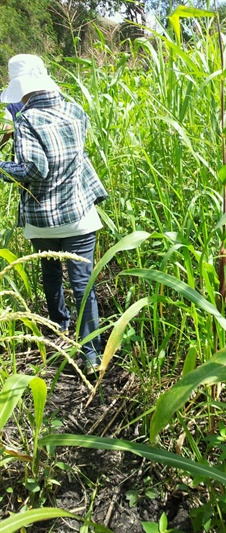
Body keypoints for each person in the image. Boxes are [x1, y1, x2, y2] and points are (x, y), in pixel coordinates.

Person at [0, 54, 108, 374]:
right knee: (82, 284)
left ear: (21, 90)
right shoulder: (75, 110)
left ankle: (60, 329)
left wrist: (3, 166)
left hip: (43, 220)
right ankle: (91, 355)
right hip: (78, 213)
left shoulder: (26, 121)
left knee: (50, 275)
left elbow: (35, 168)